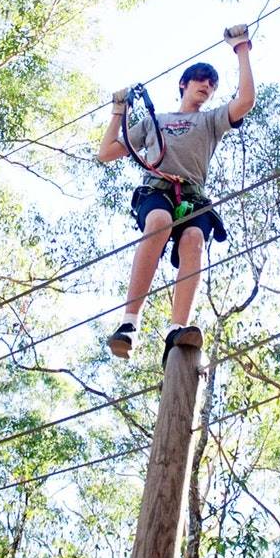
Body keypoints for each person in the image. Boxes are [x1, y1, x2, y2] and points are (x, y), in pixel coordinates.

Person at [96, 24, 256, 360]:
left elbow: (245, 100)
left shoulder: (210, 120)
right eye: (200, 80)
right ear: (184, 83)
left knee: (194, 243)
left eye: (211, 85)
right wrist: (118, 111)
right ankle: (128, 322)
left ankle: (176, 328)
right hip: (158, 190)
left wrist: (241, 48)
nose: (206, 87)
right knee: (158, 221)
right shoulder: (156, 122)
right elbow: (107, 152)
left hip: (193, 196)